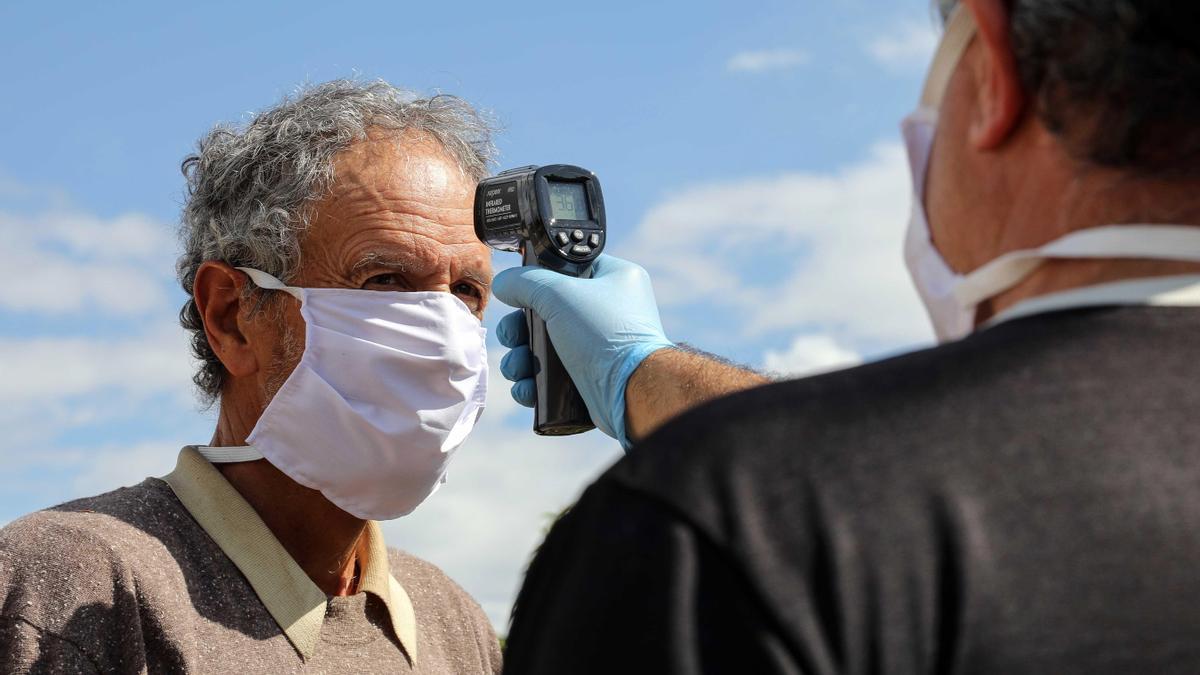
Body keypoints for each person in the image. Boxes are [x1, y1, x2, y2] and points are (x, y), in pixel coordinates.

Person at [498, 0, 1200, 672]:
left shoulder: (714, 525)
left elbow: (833, 494)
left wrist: (651, 391)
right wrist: (647, 375)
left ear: (993, 69)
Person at [0, 80, 502, 673]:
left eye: (467, 291)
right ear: (232, 317)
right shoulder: (76, 580)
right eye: (384, 280)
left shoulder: (450, 618)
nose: (443, 338)